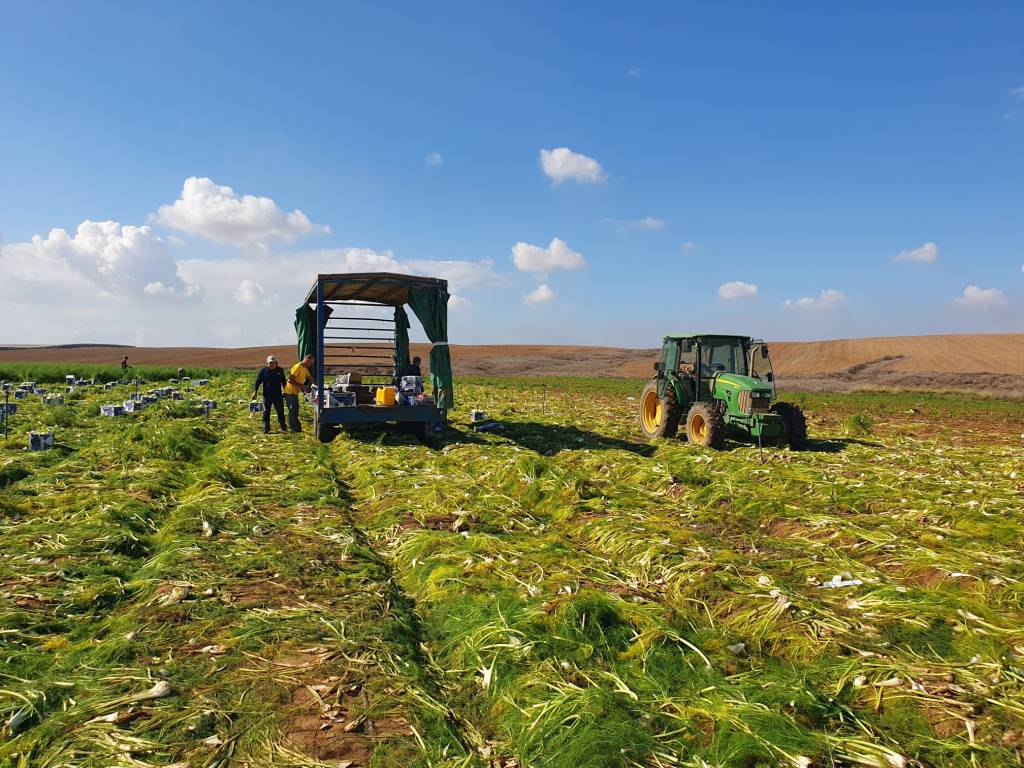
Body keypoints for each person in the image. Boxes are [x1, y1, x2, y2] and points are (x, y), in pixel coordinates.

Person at [253, 355, 287, 434]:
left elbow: (284, 381)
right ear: (267, 363)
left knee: (280, 411)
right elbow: (258, 381)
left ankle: (283, 428)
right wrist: (255, 391)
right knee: (266, 412)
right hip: (266, 395)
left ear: (276, 362)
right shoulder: (263, 371)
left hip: (278, 395)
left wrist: (285, 391)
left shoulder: (280, 370)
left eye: (273, 363)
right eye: (270, 363)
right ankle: (266, 429)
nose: (272, 364)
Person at [284, 354, 315, 433]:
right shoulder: (297, 367)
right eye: (311, 363)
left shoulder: (305, 368)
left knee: (295, 410)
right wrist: (303, 386)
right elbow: (290, 380)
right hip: (290, 392)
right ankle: (295, 429)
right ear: (307, 360)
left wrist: (319, 386)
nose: (311, 365)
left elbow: (310, 378)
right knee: (293, 410)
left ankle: (295, 428)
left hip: (294, 392)